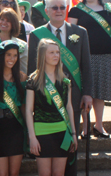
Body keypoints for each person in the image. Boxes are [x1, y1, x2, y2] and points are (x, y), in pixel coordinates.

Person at [27, 0, 93, 176]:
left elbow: (86, 65)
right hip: (44, 102)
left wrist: (87, 93)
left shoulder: (80, 32)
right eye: (54, 7)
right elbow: (33, 67)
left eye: (62, 7)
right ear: (46, 10)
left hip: (74, 98)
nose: (58, 11)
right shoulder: (36, 34)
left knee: (71, 146)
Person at [26, 38, 78, 176]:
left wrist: (73, 133)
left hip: (62, 132)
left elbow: (68, 107)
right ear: (43, 55)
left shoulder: (65, 80)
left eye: (57, 52)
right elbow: (29, 110)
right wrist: (32, 137)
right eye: (51, 53)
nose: (56, 55)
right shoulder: (33, 80)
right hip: (41, 132)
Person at [68, 0, 111, 138]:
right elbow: (70, 34)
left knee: (100, 93)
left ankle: (99, 126)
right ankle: (85, 129)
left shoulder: (108, 10)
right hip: (85, 58)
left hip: (106, 58)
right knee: (86, 92)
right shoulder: (76, 10)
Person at [0, 40, 27, 176]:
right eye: (8, 55)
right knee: (1, 173)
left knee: (14, 172)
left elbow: (24, 105)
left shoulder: (21, 77)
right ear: (1, 55)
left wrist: (28, 128)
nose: (12, 59)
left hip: (16, 127)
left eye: (15, 55)